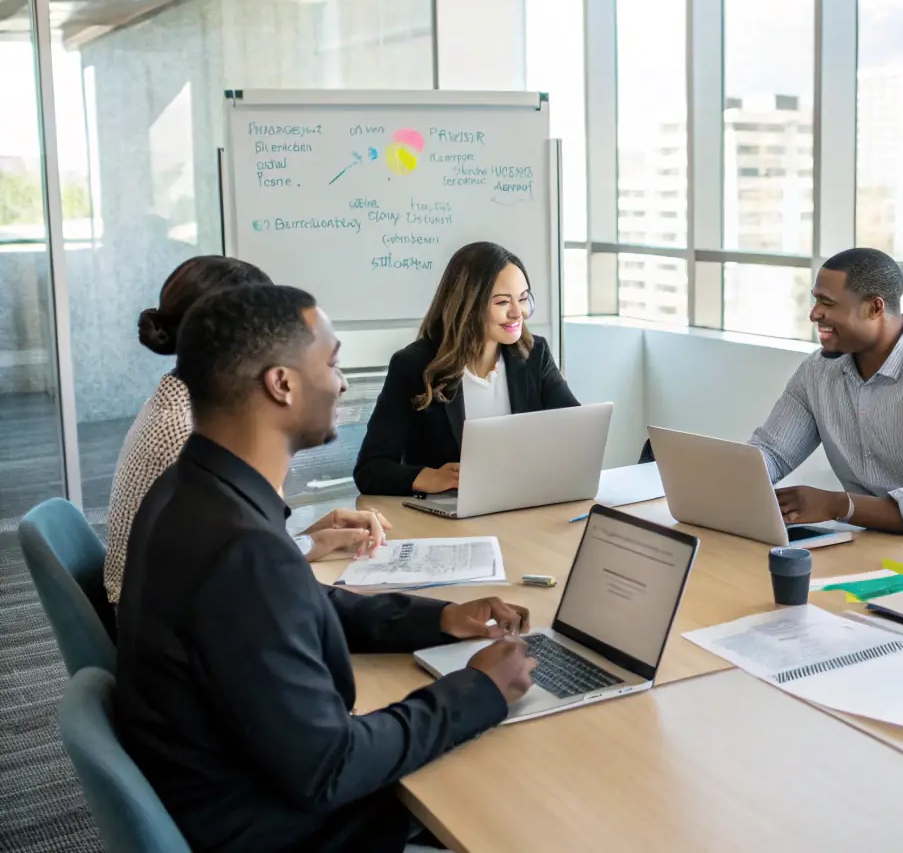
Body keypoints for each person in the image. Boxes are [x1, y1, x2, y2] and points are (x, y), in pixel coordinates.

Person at [115, 283, 538, 853]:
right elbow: (331, 768)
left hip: (229, 796)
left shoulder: (189, 490)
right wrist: (477, 689)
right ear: (281, 384)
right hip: (293, 834)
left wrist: (440, 620)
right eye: (333, 363)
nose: (341, 383)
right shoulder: (242, 551)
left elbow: (304, 607)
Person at [104, 255, 382, 605]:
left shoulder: (182, 399)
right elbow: (237, 575)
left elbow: (229, 553)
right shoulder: (191, 433)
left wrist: (315, 540)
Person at [750, 247, 903, 536]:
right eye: (815, 300)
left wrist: (839, 505)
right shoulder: (817, 371)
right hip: (864, 542)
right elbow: (772, 453)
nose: (814, 313)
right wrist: (720, 481)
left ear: (875, 308)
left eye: (826, 303)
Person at [353, 241, 578, 496]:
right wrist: (428, 476)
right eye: (503, 302)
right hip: (450, 518)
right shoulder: (413, 366)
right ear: (468, 306)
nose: (518, 313)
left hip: (522, 503)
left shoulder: (535, 355)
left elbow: (576, 432)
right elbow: (370, 469)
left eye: (524, 299)